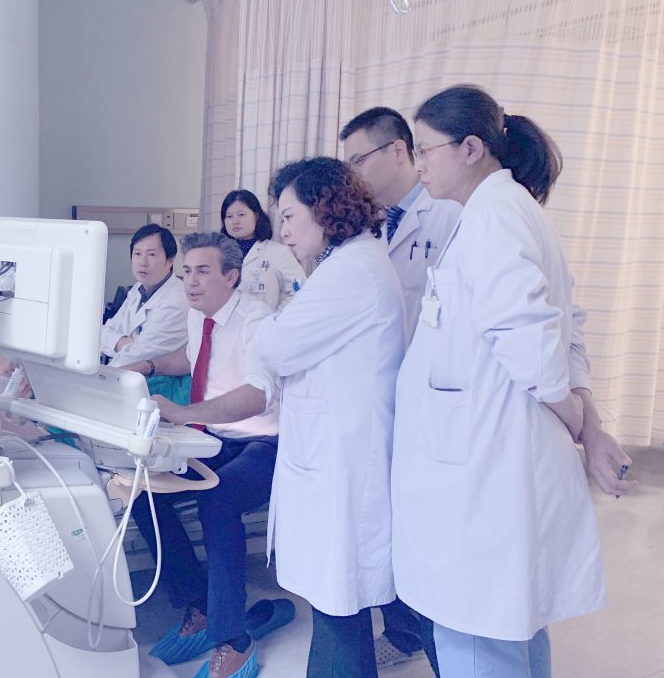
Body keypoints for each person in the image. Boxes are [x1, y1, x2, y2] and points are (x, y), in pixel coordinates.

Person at [392, 85, 605, 677]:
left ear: (470, 148)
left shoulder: (495, 216)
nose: (418, 164)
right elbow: (564, 324)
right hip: (488, 459)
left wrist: (576, 417)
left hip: (484, 468)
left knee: (478, 634)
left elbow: (531, 338)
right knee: (511, 626)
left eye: (424, 150)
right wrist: (580, 417)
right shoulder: (501, 211)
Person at [255, 158, 405, 678]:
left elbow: (275, 347)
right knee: (337, 606)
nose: (283, 231)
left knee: (339, 605)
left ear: (325, 209)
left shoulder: (351, 271)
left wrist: (272, 325)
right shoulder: (346, 264)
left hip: (344, 466)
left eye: (289, 216)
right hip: (333, 459)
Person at [121, 232, 294, 678]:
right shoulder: (200, 316)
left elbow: (258, 394)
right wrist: (149, 365)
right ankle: (200, 604)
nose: (191, 281)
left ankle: (232, 639)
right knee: (142, 491)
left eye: (202, 271)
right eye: (187, 272)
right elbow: (193, 357)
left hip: (264, 443)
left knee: (218, 499)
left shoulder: (257, 321)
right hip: (214, 438)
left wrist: (185, 413)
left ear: (231, 276)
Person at [340, 106, 460, 673]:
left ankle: (438, 651)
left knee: (429, 545)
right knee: (390, 531)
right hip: (383, 403)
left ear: (398, 151)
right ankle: (406, 632)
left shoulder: (449, 216)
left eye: (357, 159)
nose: (352, 173)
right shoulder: (370, 226)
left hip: (434, 408)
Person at [99, 224, 188, 367]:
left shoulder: (177, 301)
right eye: (137, 254)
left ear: (170, 260)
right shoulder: (138, 289)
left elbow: (138, 356)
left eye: (151, 254)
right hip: (128, 372)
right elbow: (102, 333)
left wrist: (120, 344)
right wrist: (128, 344)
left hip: (154, 378)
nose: (143, 262)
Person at [220, 189, 306, 311]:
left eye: (241, 214)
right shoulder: (217, 254)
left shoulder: (278, 253)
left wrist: (277, 317)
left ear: (256, 216)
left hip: (263, 321)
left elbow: (299, 290)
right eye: (229, 216)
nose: (235, 221)